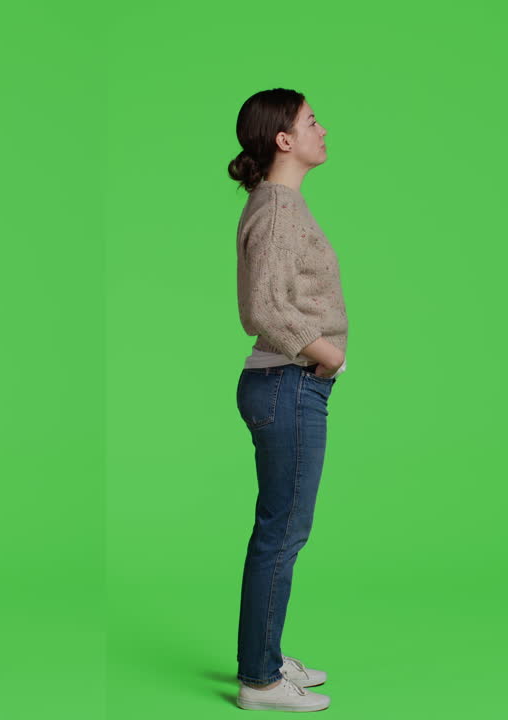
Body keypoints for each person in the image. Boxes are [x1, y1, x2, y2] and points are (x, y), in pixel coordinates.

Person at [229, 88, 347, 712]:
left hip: (286, 384)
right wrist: (325, 353)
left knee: (278, 530)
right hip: (290, 382)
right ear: (283, 139)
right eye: (310, 121)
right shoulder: (277, 208)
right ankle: (260, 681)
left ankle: (264, 658)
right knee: (282, 533)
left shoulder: (279, 204)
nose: (322, 129)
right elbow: (262, 309)